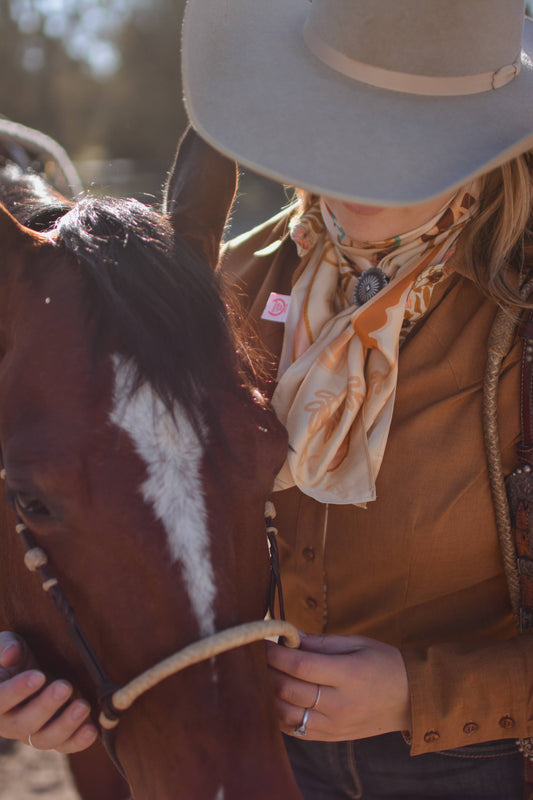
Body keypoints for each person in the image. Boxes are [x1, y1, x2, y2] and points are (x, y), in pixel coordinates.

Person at [2, 0, 533, 797]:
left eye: (407, 133)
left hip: (478, 767)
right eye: (336, 115)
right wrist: (34, 671)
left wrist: (421, 692)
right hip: (263, 756)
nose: (357, 162)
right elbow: (97, 506)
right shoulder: (218, 287)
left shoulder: (516, 323)